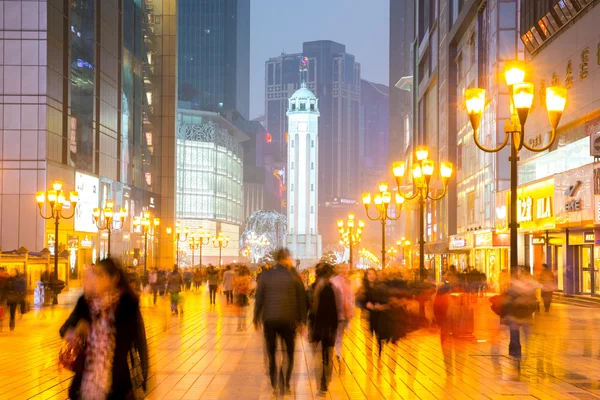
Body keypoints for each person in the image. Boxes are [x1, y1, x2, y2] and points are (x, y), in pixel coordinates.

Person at [59, 258, 148, 399]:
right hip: (86, 382)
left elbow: (140, 342)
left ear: (114, 278)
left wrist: (144, 377)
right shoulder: (85, 302)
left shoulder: (128, 305)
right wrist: (76, 331)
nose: (96, 279)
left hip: (118, 383)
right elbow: (64, 329)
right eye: (96, 275)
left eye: (101, 275)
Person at [254, 248, 307, 395]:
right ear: (285, 259)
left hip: (270, 320)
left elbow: (259, 299)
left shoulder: (265, 276)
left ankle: (275, 383)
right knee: (288, 353)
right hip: (289, 321)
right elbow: (302, 300)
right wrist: (302, 321)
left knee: (272, 353)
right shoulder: (294, 277)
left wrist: (256, 317)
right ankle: (286, 383)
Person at [308, 263, 338, 393]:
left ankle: (322, 381)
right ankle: (325, 381)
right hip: (329, 328)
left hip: (317, 327)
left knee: (318, 356)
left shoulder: (312, 288)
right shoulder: (332, 289)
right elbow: (336, 311)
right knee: (327, 356)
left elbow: (311, 311)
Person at [360, 268, 389, 357]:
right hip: (366, 316)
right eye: (369, 274)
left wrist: (380, 306)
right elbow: (359, 301)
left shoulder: (381, 286)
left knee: (378, 336)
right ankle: (369, 356)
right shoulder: (363, 288)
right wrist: (366, 304)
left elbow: (386, 301)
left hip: (378, 315)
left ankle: (379, 353)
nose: (371, 276)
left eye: (373, 274)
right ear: (366, 276)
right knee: (368, 337)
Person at [330, 263, 354, 361]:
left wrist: (351, 309)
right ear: (337, 269)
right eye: (341, 268)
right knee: (337, 332)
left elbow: (351, 296)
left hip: (346, 310)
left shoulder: (348, 281)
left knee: (341, 332)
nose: (343, 270)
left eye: (345, 268)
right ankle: (337, 351)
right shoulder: (333, 280)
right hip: (337, 310)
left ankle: (338, 351)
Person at [234, 265, 253, 330]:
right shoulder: (247, 278)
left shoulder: (238, 278)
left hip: (239, 296)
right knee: (244, 312)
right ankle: (244, 326)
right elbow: (249, 288)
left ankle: (239, 326)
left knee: (240, 312)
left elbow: (235, 288)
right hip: (244, 296)